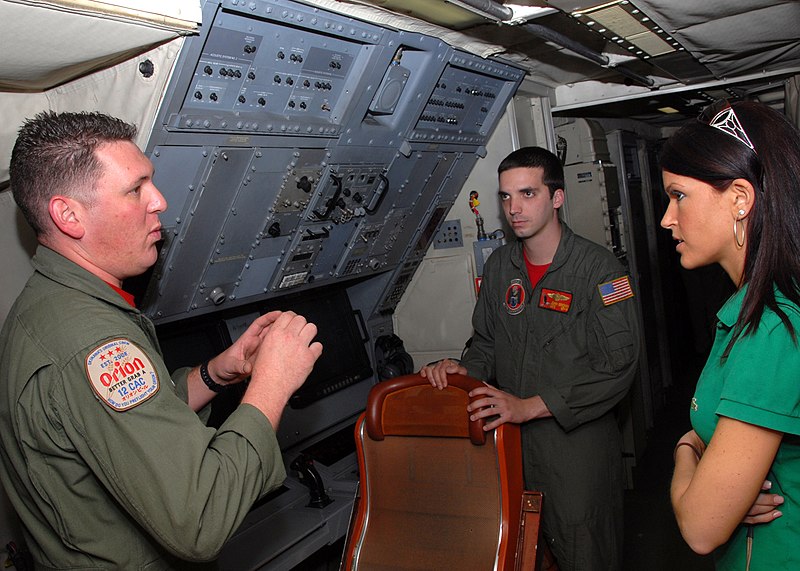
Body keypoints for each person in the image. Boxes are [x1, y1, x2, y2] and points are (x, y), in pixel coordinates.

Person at [0, 111, 323, 569]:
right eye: (136, 189)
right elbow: (200, 521)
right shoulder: (90, 341)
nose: (160, 201)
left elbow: (116, 429)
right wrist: (273, 384)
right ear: (69, 215)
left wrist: (217, 373)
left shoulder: (52, 305)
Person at [421, 146, 640, 570]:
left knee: (585, 553)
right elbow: (486, 343)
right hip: (512, 445)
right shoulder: (502, 267)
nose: (513, 208)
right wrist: (462, 370)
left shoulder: (602, 271)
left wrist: (529, 407)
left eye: (527, 194)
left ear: (556, 198)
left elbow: (618, 367)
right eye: (505, 197)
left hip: (576, 451)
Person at [664, 100, 800, 569]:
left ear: (740, 197)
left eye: (678, 195)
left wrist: (686, 450)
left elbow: (701, 528)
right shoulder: (751, 312)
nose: (667, 218)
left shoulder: (773, 328)